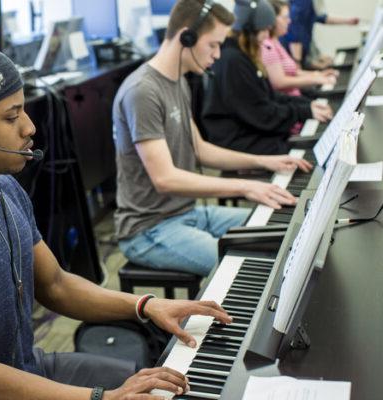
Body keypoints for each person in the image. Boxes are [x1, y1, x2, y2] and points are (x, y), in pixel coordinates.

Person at [0, 35, 234, 399]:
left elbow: (56, 284)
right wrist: (103, 398)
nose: (29, 127)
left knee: (162, 384)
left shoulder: (5, 189)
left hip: (28, 368)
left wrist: (146, 306)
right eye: (11, 116)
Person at [113, 0, 312, 278]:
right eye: (213, 45)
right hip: (149, 229)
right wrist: (244, 186)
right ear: (187, 37)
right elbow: (165, 178)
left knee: (283, 227)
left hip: (186, 213)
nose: (218, 54)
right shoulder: (142, 91)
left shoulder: (177, 80)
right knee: (251, 268)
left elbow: (200, 149)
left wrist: (264, 161)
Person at [201, 0, 333, 155]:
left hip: (249, 129)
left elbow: (267, 96)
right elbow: (260, 114)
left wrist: (307, 106)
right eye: (264, 30)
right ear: (250, 30)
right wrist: (302, 112)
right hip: (237, 140)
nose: (266, 36)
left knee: (306, 143)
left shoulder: (242, 54)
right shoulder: (233, 61)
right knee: (301, 150)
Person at [262, 0, 338, 97]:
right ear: (272, 20)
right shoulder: (267, 46)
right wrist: (315, 79)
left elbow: (293, 72)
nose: (289, 21)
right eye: (285, 17)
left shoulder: (275, 42)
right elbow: (279, 82)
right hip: (292, 101)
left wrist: (318, 74)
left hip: (296, 97)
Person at [280, 0, 359, 68]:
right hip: (293, 56)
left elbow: (321, 18)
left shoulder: (309, 4)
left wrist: (348, 21)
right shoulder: (303, 2)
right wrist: (298, 62)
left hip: (300, 54)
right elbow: (294, 31)